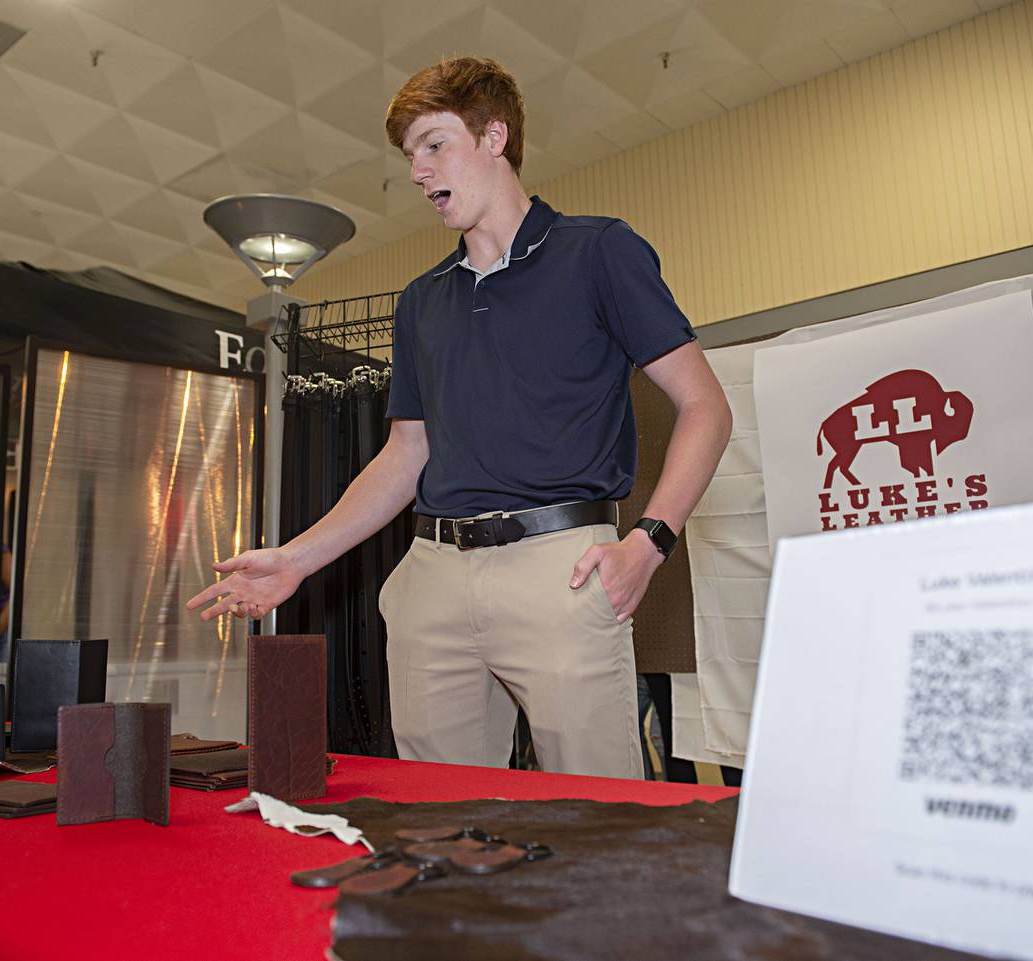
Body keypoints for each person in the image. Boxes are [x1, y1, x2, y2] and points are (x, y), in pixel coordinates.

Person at [187, 57, 731, 779]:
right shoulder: (421, 301)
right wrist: (294, 558)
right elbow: (403, 456)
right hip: (433, 577)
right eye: (410, 155)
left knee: (599, 822)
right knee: (438, 826)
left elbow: (705, 406)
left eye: (434, 143)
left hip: (560, 568)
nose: (417, 171)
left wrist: (649, 542)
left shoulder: (598, 252)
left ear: (495, 136)